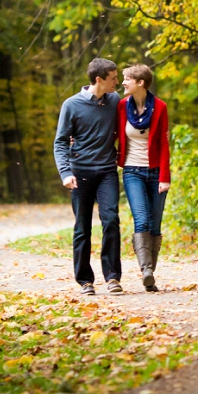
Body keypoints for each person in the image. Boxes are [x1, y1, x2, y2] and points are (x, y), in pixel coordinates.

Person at [54, 58, 123, 296]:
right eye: (113, 77)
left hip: (106, 171)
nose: (118, 81)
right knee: (82, 227)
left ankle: (113, 277)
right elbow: (60, 142)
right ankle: (85, 280)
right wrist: (65, 172)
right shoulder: (71, 105)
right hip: (80, 173)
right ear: (99, 79)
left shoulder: (115, 101)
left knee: (111, 219)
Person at [117, 64, 170, 292]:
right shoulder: (120, 106)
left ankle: (150, 275)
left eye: (127, 79)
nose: (123, 83)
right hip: (131, 171)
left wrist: (165, 177)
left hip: (156, 172)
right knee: (142, 220)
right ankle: (146, 270)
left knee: (155, 225)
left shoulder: (160, 107)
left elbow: (164, 143)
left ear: (140, 83)